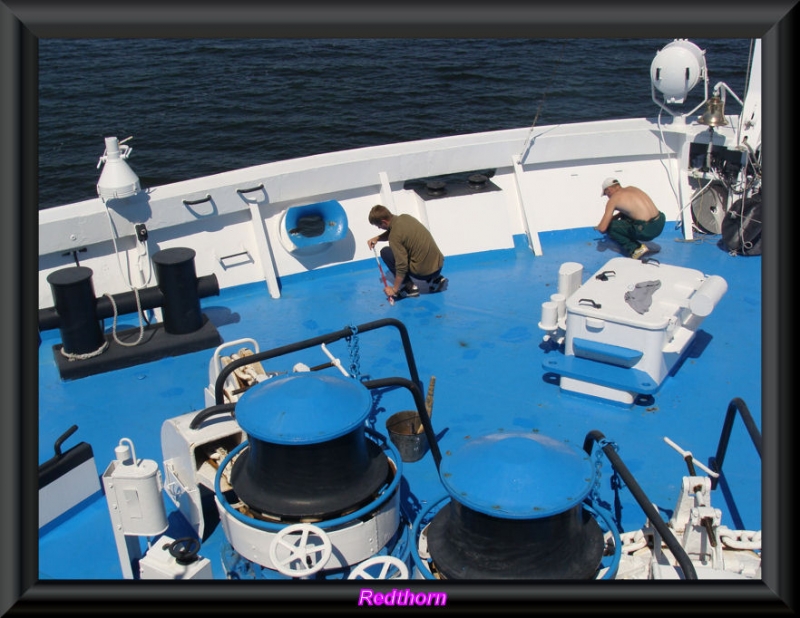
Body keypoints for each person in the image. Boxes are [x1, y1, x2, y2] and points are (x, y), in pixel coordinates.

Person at [367, 205, 448, 300]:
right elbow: (395, 231)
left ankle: (410, 288)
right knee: (411, 248)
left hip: (423, 274)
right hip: (438, 266)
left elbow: (402, 266)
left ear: (384, 222)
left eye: (379, 226)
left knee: (386, 252)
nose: (379, 228)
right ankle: (436, 279)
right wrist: (378, 238)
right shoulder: (405, 217)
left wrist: (394, 289)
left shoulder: (394, 237)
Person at [595, 177, 666, 260]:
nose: (608, 197)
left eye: (606, 194)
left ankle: (635, 249)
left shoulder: (613, 199)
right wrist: (616, 217)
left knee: (611, 227)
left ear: (609, 189)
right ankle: (641, 245)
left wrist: (599, 226)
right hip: (660, 222)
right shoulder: (632, 188)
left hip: (646, 230)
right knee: (625, 216)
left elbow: (603, 228)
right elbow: (631, 211)